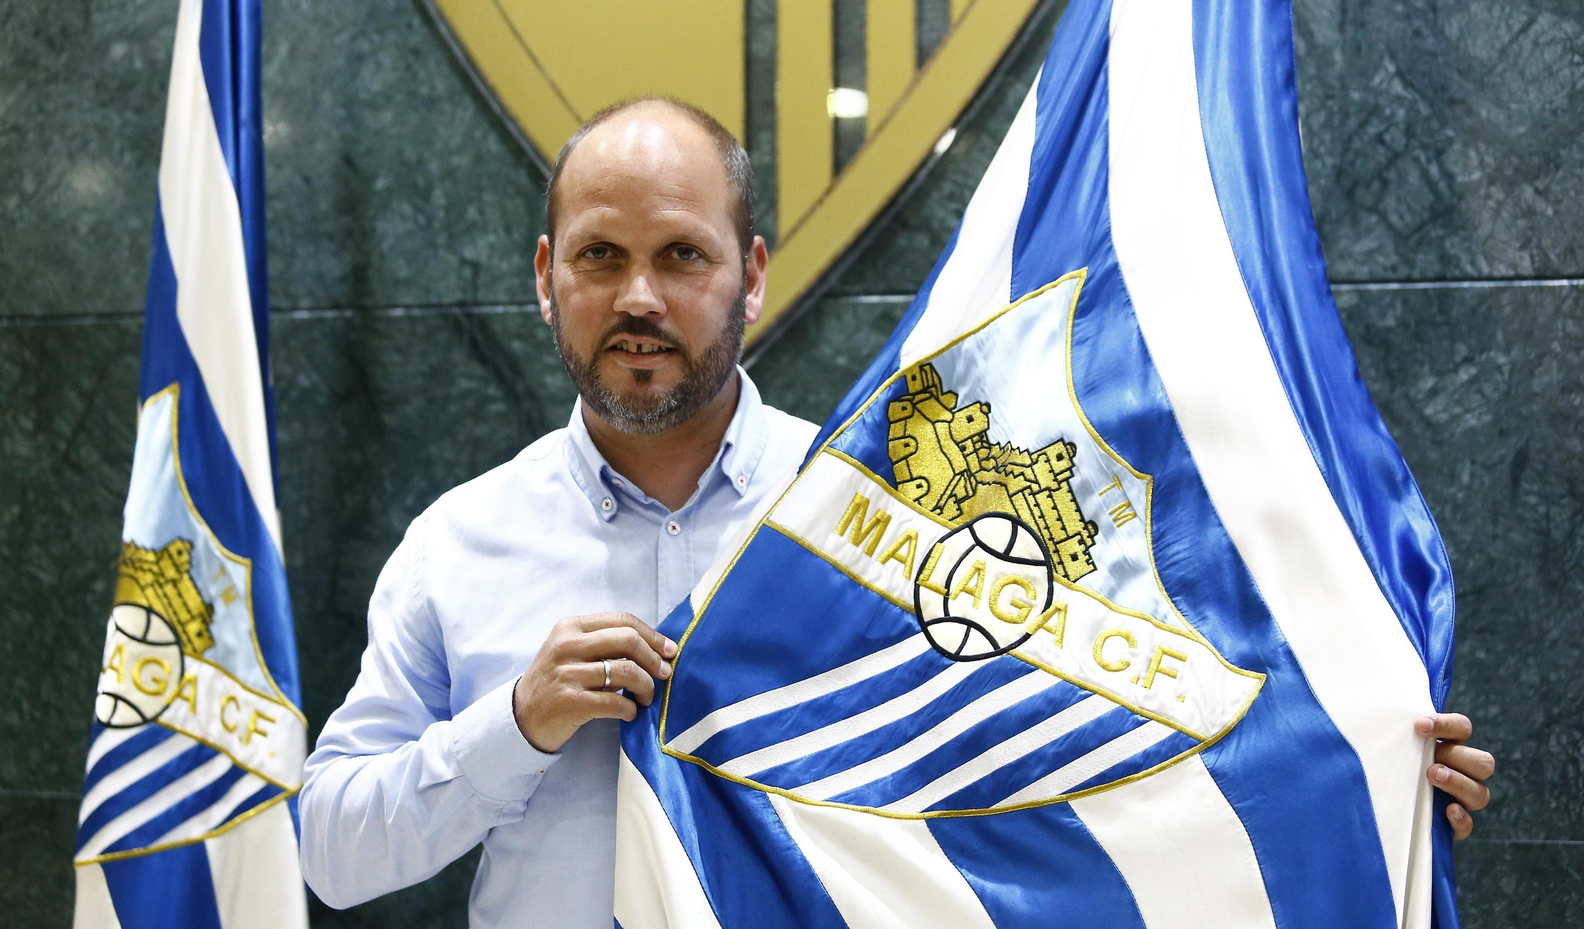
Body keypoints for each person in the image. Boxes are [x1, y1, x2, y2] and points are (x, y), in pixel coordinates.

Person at [299, 97, 1495, 928]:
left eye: (683, 255)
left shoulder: (884, 513)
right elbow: (331, 851)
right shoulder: (455, 547)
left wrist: (1348, 773)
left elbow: (1083, 754)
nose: (639, 296)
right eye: (600, 257)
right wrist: (515, 723)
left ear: (752, 275)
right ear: (544, 274)